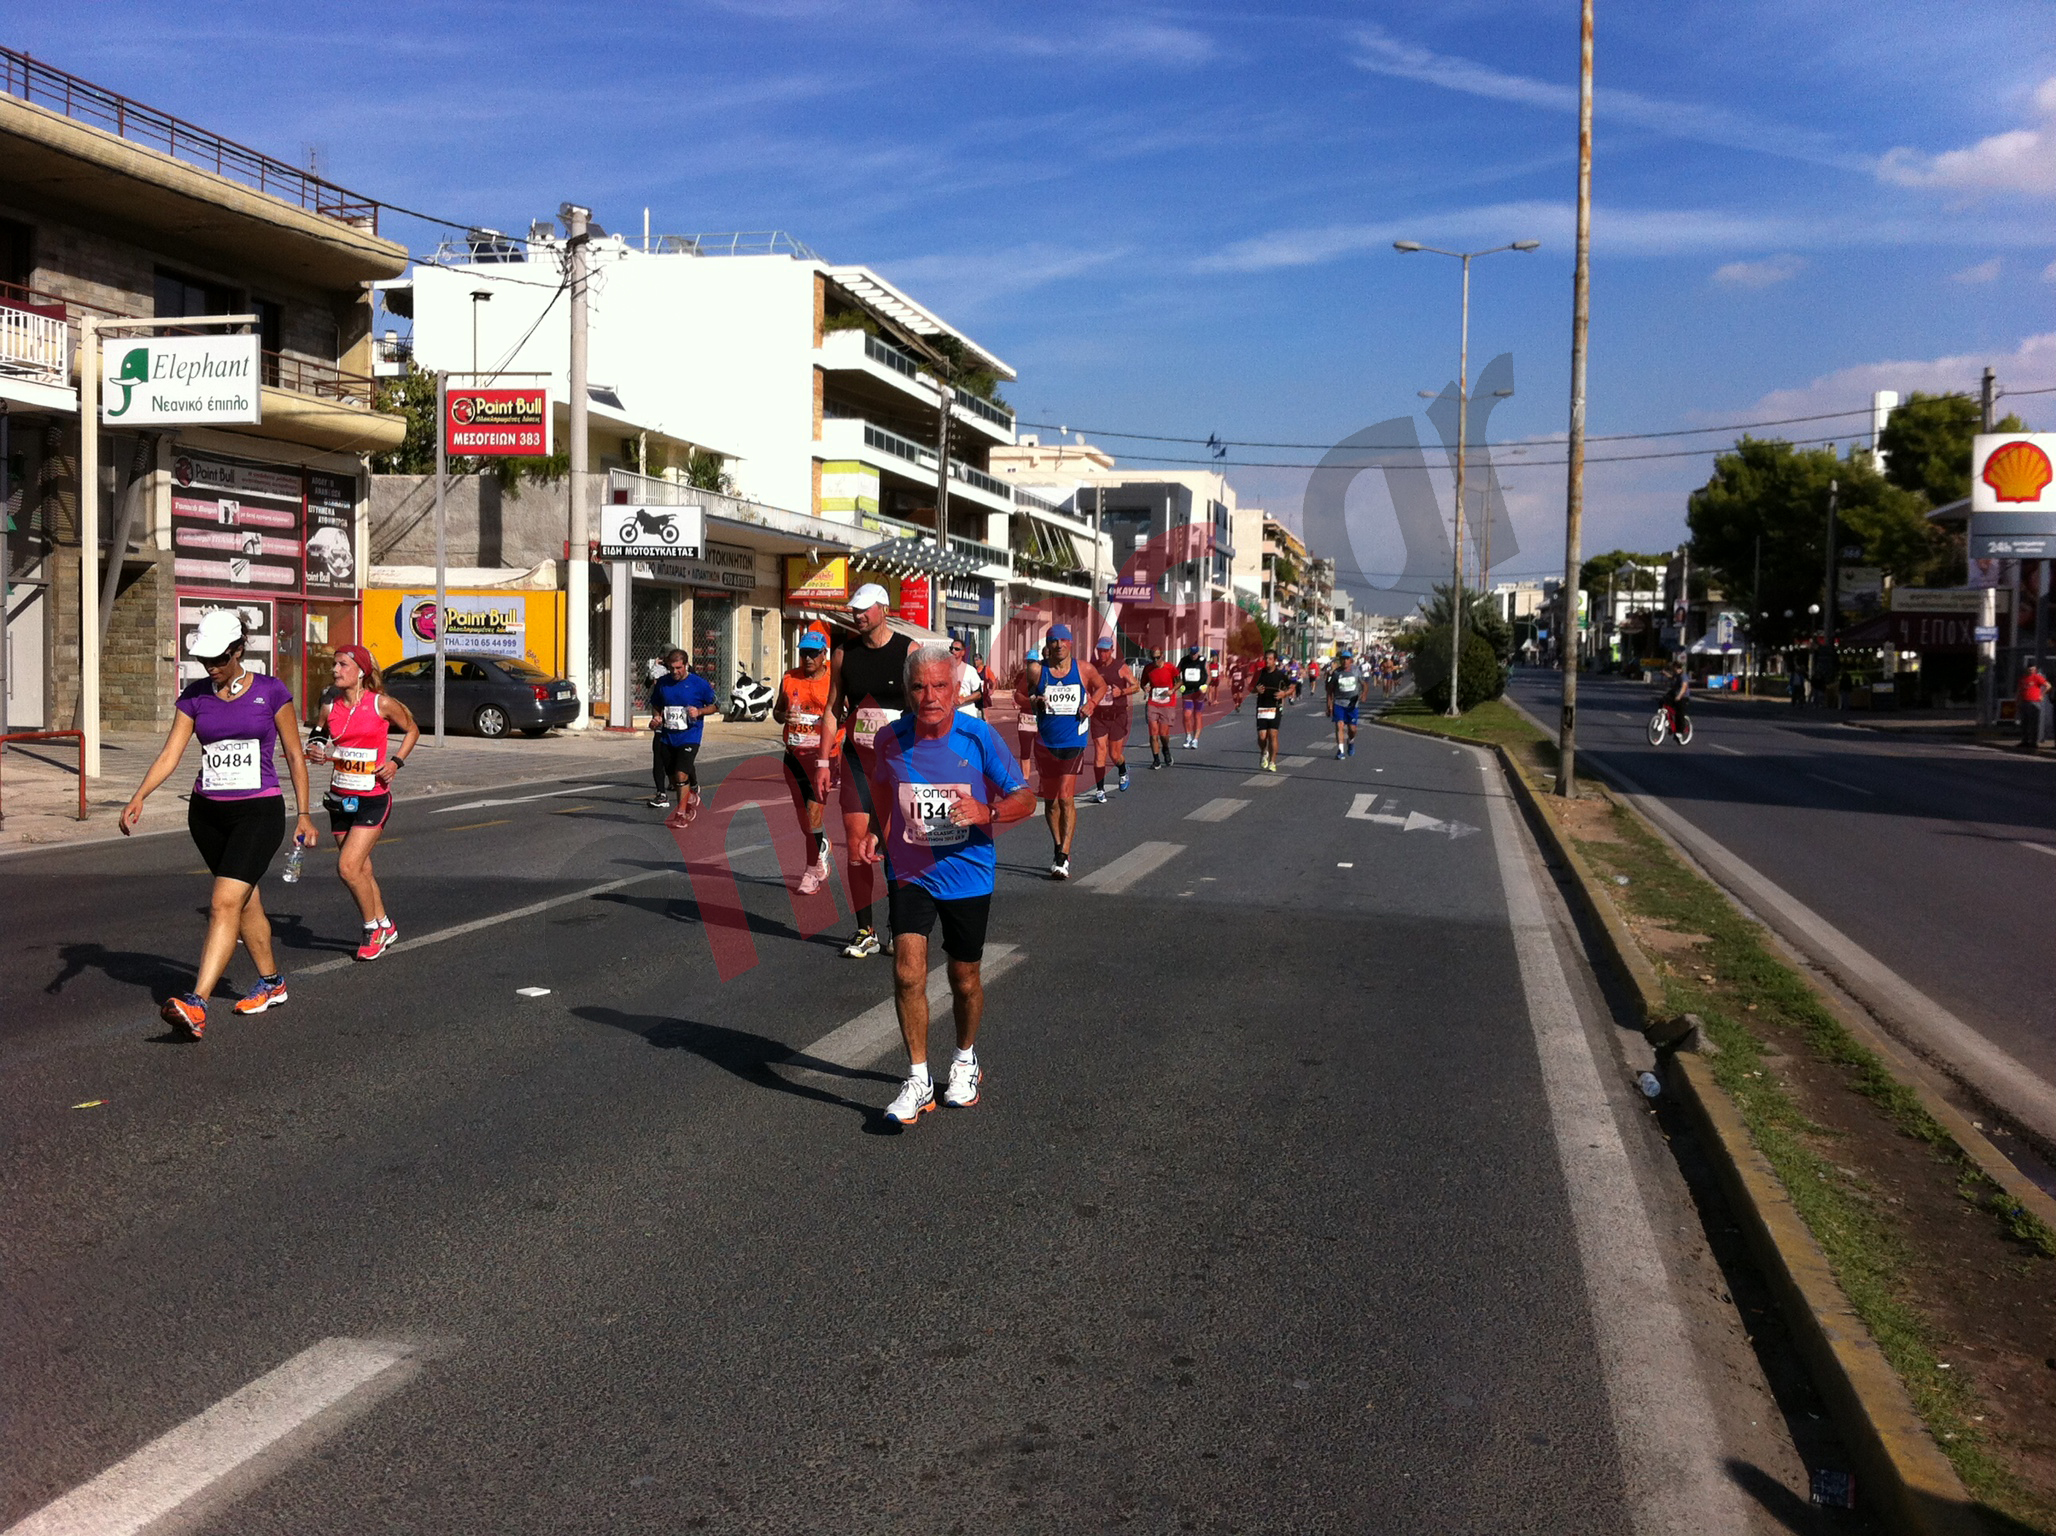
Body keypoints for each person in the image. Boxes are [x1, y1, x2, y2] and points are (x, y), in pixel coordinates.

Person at [850, 641, 1038, 1126]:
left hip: (967, 872)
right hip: (910, 872)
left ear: (956, 689)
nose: (930, 696)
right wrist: (876, 831)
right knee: (909, 973)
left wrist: (988, 811)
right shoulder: (891, 739)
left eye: (939, 686)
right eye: (919, 687)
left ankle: (964, 1060)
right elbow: (883, 794)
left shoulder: (978, 739)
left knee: (964, 978)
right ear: (908, 692)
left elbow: (1025, 797)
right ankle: (916, 1079)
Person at [119, 608, 319, 1038]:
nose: (211, 667)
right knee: (245, 901)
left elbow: (294, 755)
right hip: (207, 814)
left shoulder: (271, 691)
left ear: (239, 650)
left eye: (219, 659)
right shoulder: (194, 696)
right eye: (205, 660)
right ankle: (271, 982)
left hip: (258, 811)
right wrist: (140, 795)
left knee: (223, 902)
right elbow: (171, 754)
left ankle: (197, 1003)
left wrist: (304, 813)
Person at [305, 644, 420, 961]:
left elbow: (412, 729)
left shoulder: (381, 704)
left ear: (360, 671)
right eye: (334, 665)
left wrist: (396, 761)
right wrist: (315, 750)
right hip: (340, 797)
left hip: (373, 798)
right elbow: (318, 737)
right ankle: (385, 923)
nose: (335, 670)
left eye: (342, 665)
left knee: (347, 867)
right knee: (362, 869)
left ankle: (372, 929)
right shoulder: (329, 704)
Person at [817, 583, 914, 957]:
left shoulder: (908, 652)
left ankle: (898, 924)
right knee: (856, 848)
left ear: (883, 610)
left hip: (897, 765)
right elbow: (832, 708)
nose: (858, 616)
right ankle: (865, 930)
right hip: (858, 761)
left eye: (865, 609)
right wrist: (824, 761)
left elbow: (924, 707)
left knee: (893, 846)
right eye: (855, 610)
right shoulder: (844, 654)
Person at [1014, 623, 1104, 879]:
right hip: (1045, 744)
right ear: (1049, 645)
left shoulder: (1083, 669)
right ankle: (1057, 846)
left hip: (1073, 742)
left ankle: (1064, 856)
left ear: (1070, 644)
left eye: (1064, 641)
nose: (1059, 645)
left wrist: (1093, 704)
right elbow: (1018, 696)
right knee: (1051, 802)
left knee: (1066, 797)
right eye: (1054, 641)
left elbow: (1101, 686)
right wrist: (1032, 700)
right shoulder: (1037, 671)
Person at [774, 629, 838, 894]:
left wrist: (834, 720)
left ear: (824, 654)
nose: (808, 658)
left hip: (823, 758)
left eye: (813, 653)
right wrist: (783, 716)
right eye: (804, 653)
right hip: (793, 756)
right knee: (804, 820)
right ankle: (821, 844)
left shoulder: (835, 680)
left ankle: (812, 871)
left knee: (813, 816)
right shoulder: (790, 678)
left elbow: (846, 712)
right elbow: (777, 711)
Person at [649, 648, 718, 830]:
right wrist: (656, 717)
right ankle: (690, 796)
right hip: (668, 735)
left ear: (686, 665)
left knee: (681, 774)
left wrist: (700, 711)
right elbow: (656, 705)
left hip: (690, 735)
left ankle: (682, 812)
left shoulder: (699, 684)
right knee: (673, 778)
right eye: (671, 668)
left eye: (678, 668)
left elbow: (715, 705)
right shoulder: (663, 683)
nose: (675, 672)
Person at [1087, 635, 1136, 801]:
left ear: (1112, 651)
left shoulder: (1120, 667)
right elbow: (1086, 687)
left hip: (1117, 715)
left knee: (1114, 754)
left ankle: (1122, 769)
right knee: (1100, 751)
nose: (1102, 654)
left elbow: (1136, 686)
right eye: (1100, 651)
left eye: (1105, 651)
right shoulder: (1092, 667)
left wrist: (1121, 692)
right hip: (1099, 715)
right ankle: (1100, 790)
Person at [1252, 649, 1291, 771]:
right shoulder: (1259, 674)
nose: (1267, 661)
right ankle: (1264, 752)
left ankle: (1273, 762)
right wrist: (1256, 690)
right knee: (1262, 737)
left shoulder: (1280, 675)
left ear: (1275, 661)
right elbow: (1250, 688)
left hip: (1275, 707)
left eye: (1270, 659)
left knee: (1273, 735)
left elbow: (1291, 687)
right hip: (1262, 708)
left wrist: (1284, 694)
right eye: (1266, 659)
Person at [1142, 647, 1180, 768]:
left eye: (1157, 658)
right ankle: (1156, 760)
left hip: (1167, 703)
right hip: (1153, 702)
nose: (1155, 661)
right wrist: (1145, 687)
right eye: (1153, 658)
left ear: (1162, 656)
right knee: (1153, 733)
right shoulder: (1148, 668)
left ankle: (1166, 749)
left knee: (1163, 734)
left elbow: (1179, 681)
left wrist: (1172, 690)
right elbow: (1142, 682)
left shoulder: (1170, 667)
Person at [1326, 647, 1364, 758]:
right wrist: (1329, 705)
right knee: (1340, 726)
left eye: (1347, 659)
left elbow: (1364, 684)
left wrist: (1364, 694)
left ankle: (1351, 742)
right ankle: (1340, 751)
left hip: (1352, 704)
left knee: (1352, 729)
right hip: (1339, 703)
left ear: (1351, 660)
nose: (1345, 661)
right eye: (1343, 659)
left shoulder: (1356, 671)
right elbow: (1330, 690)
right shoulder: (1336, 673)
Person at [1177, 642, 1210, 750]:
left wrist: (1206, 685)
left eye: (1195, 653)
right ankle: (1188, 736)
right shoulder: (1184, 660)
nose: (1193, 656)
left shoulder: (1203, 661)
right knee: (1186, 715)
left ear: (1198, 652)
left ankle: (1195, 739)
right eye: (1191, 653)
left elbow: (1209, 675)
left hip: (1199, 691)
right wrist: (1179, 684)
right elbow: (1176, 673)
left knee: (1197, 715)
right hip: (1187, 691)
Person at [2017, 662, 2050, 753]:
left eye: (2033, 669)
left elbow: (2048, 685)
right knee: (2024, 722)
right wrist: (2018, 701)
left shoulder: (2037, 677)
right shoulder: (2023, 678)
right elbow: (2019, 691)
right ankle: (2025, 740)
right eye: (2030, 669)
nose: (2031, 671)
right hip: (2024, 701)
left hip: (2034, 702)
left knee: (2033, 723)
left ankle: (2033, 742)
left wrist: (2042, 695)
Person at [950, 637, 985, 716]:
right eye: (951, 648)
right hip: (949, 714)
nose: (953, 651)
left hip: (966, 712)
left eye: (956, 649)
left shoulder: (970, 670)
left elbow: (978, 694)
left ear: (963, 652)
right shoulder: (944, 670)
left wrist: (964, 699)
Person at [1661, 659, 1692, 736]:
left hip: (1683, 697)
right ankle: (1668, 720)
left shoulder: (1683, 676)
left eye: (1673, 668)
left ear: (1677, 668)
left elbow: (1684, 687)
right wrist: (1665, 674)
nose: (1672, 669)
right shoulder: (1677, 674)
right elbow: (1672, 677)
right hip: (1674, 693)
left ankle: (1680, 731)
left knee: (1679, 713)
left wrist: (1679, 696)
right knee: (1663, 701)